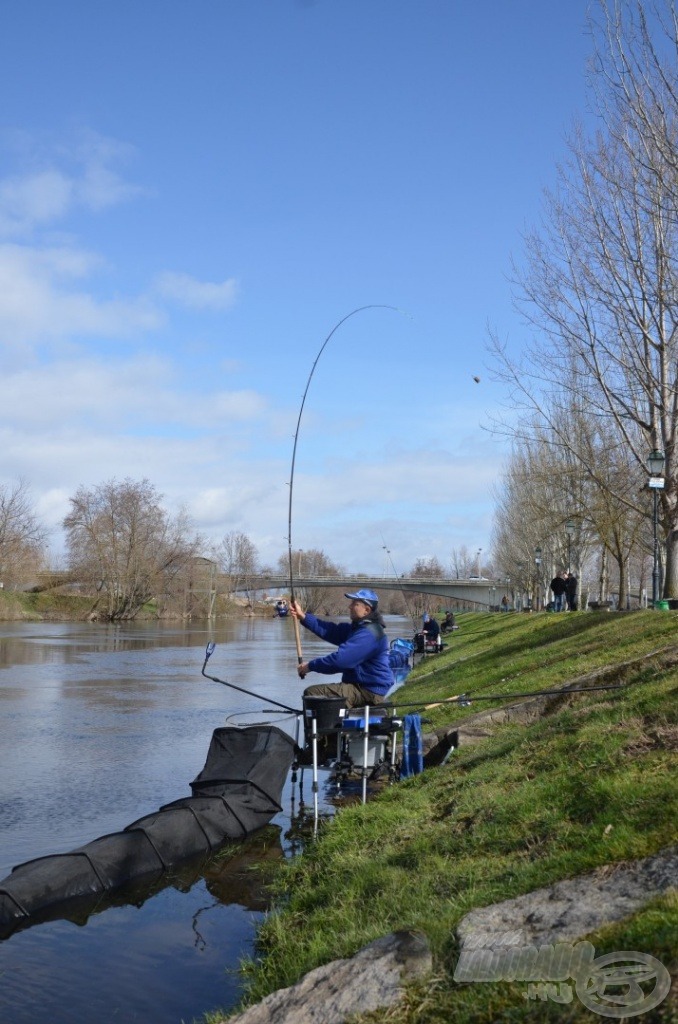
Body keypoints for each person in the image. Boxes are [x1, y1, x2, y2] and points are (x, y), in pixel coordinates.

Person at [289, 588, 392, 707]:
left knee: (312, 693)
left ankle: (326, 725)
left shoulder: (367, 635)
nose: (350, 606)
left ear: (366, 610)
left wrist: (310, 666)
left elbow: (341, 661)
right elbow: (330, 631)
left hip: (367, 690)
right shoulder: (359, 629)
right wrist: (303, 616)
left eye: (355, 604)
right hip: (361, 685)